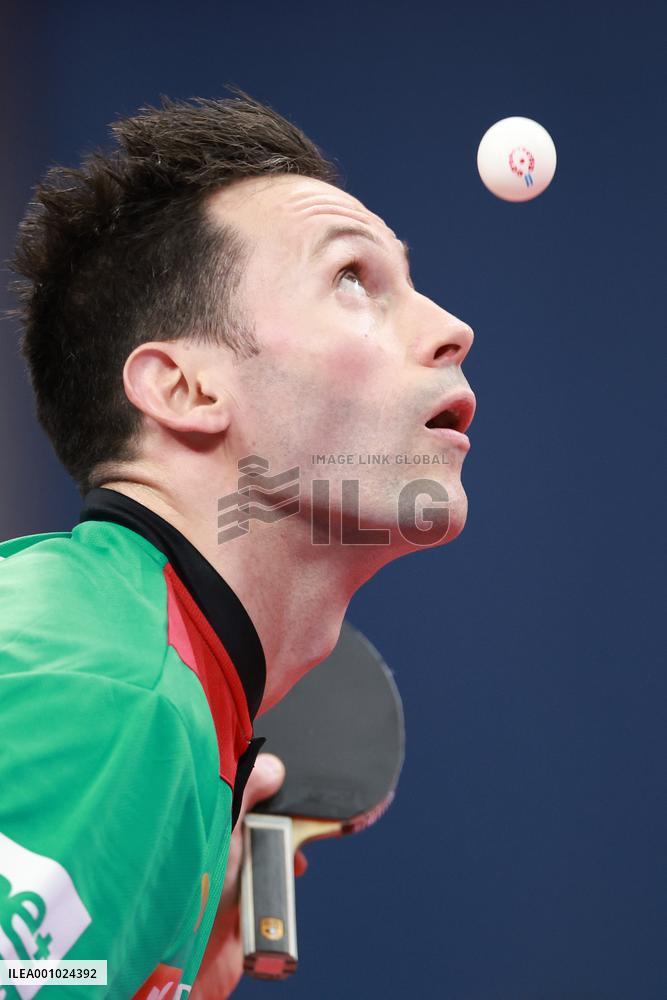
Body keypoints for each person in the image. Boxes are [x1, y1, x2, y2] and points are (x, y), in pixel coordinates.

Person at [1, 87, 475, 997]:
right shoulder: (106, 697)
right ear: (184, 389)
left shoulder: (111, 651)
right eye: (351, 279)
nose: (452, 329)